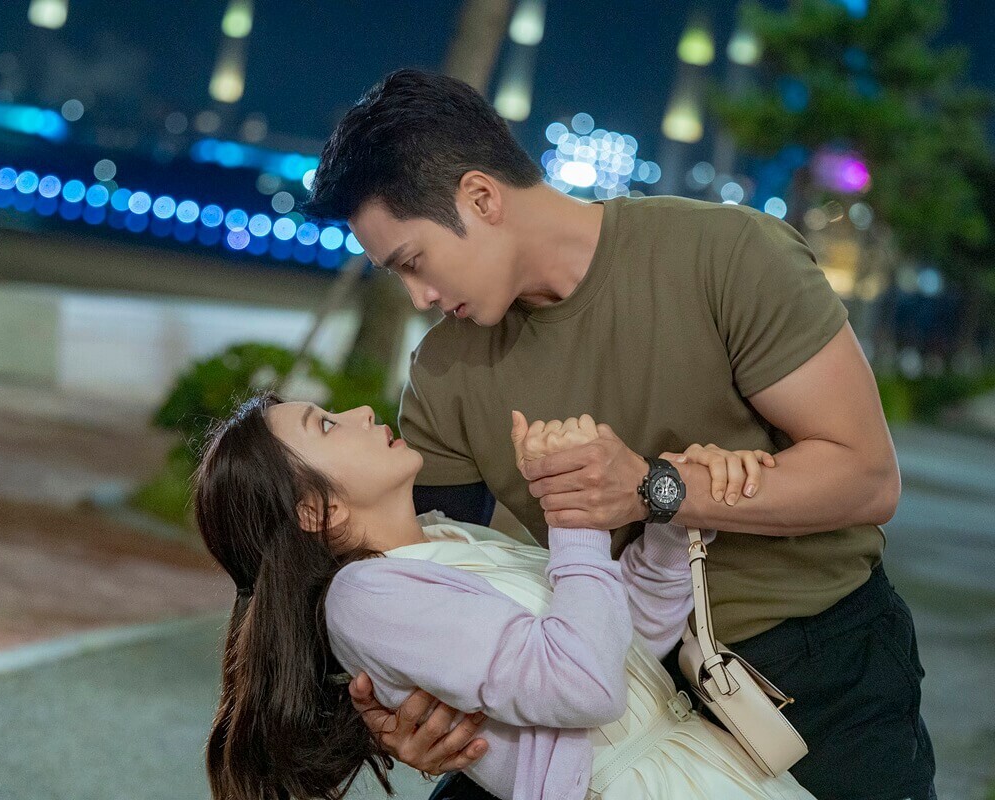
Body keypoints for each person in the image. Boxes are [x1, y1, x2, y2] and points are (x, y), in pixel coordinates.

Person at [301, 68, 934, 800]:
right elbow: (414, 570)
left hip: (819, 665)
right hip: (592, 693)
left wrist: (654, 489)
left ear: (480, 197)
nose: (419, 297)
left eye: (414, 262)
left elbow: (866, 477)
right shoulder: (444, 370)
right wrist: (399, 714)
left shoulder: (727, 254)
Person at [195, 392, 813, 800]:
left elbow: (627, 648)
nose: (359, 412)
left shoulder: (450, 539)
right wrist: (573, 510)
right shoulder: (364, 599)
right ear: (315, 510)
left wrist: (671, 521)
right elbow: (584, 685)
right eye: (327, 425)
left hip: (703, 768)